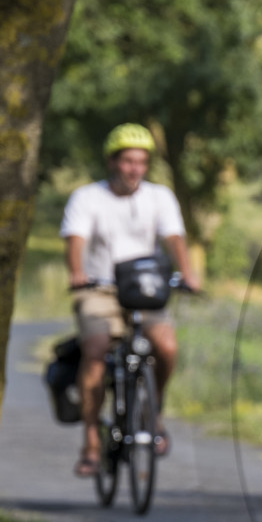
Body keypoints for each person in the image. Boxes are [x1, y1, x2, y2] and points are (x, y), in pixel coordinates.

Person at [62, 123, 201, 477]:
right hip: (101, 288)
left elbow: (174, 238)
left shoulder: (159, 197)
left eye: (141, 162)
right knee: (96, 350)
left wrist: (188, 273)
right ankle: (91, 440)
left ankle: (154, 412)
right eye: (128, 161)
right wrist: (77, 273)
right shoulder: (87, 197)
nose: (135, 169)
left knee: (166, 347)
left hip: (146, 289)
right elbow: (75, 239)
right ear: (112, 162)